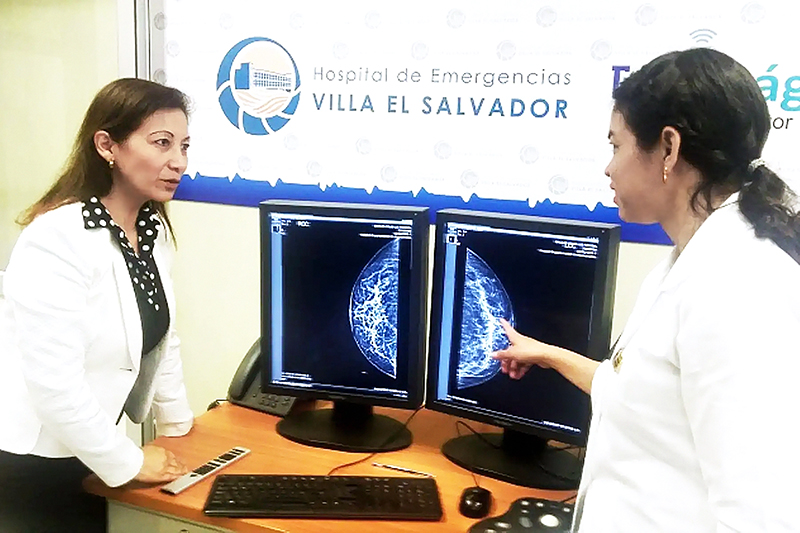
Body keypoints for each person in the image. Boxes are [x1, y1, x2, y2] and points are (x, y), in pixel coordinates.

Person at [493, 48, 800, 532]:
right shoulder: (689, 261)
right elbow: (646, 397)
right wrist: (551, 355)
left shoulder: (737, 286)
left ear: (669, 148)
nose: (608, 168)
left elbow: (762, 517)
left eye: (616, 146)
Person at [0, 78, 195, 532]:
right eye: (162, 143)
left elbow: (162, 336)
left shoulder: (151, 232)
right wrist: (130, 461)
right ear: (107, 145)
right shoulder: (56, 237)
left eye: (184, 146)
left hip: (90, 447)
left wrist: (180, 430)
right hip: (32, 461)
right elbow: (54, 384)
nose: (179, 162)